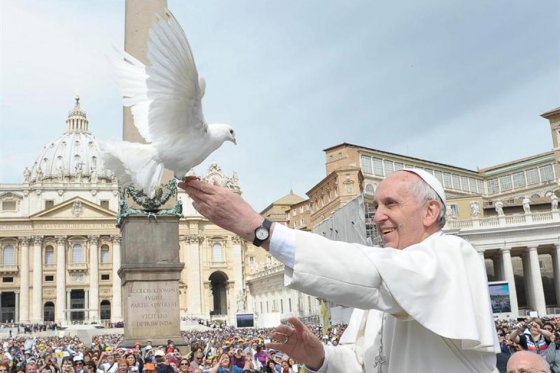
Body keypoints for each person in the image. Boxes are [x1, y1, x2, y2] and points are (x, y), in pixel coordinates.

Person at [180, 168, 500, 372]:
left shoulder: (454, 255)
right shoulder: (382, 287)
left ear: (431, 211)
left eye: (391, 204)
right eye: (375, 207)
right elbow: (359, 363)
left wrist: (259, 229)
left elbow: (373, 274)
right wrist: (320, 356)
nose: (377, 217)